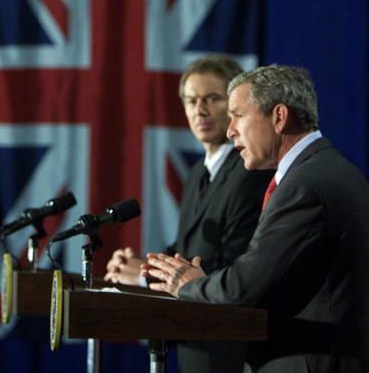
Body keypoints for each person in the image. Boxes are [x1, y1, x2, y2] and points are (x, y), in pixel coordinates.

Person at [143, 65, 369, 372]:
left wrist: (188, 284)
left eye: (238, 115)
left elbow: (245, 286)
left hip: (309, 361)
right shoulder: (323, 168)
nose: (230, 129)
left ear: (278, 117)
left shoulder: (306, 185)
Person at [105, 55, 273, 372]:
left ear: (236, 105)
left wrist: (148, 274)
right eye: (192, 101)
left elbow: (236, 262)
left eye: (212, 98)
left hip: (228, 340)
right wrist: (139, 266)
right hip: (192, 335)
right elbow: (189, 246)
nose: (200, 110)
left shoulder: (250, 169)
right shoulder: (198, 172)